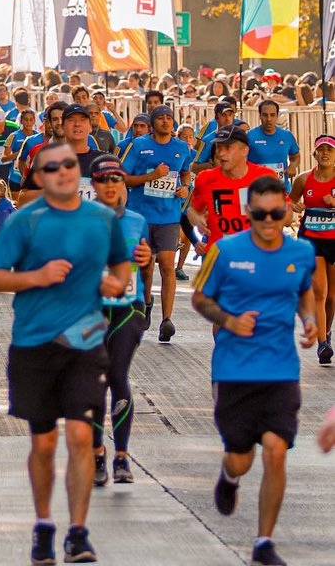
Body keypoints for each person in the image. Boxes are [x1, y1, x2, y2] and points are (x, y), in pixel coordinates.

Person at [0, 141, 131, 566]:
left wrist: (115, 282)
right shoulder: (24, 222)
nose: (63, 172)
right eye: (52, 167)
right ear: (39, 178)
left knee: (82, 435)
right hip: (34, 344)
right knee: (44, 443)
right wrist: (37, 277)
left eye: (68, 165)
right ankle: (45, 525)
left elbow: (121, 265)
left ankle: (78, 533)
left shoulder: (102, 219)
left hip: (85, 343)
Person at [192, 174, 317, 566]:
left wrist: (310, 319)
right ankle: (229, 477)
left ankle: (264, 542)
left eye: (276, 213)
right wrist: (228, 321)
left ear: (287, 212)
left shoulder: (300, 253)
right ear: (249, 212)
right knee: (241, 459)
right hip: (234, 372)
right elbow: (199, 297)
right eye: (260, 213)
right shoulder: (225, 251)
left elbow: (303, 290)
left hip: (281, 370)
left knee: (276, 452)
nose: (268, 220)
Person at [89, 158, 151, 488]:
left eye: (117, 179)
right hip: (92, 311)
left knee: (117, 375)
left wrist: (146, 261)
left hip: (127, 309)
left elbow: (145, 260)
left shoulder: (138, 220)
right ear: (94, 186)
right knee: (97, 380)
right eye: (103, 180)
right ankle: (97, 452)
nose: (111, 185)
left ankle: (122, 456)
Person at [121, 105, 192, 340]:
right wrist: (151, 177)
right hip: (141, 216)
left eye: (169, 118)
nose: (165, 122)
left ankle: (167, 320)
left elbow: (185, 173)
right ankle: (148, 302)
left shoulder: (181, 147)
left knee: (167, 265)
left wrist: (185, 188)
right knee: (146, 268)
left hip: (169, 217)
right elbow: (124, 179)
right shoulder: (139, 145)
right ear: (152, 124)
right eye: (160, 118)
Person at [188, 127, 287, 247]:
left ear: (244, 151)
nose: (221, 153)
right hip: (220, 254)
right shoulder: (205, 178)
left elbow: (287, 215)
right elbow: (192, 210)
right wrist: (198, 220)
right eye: (219, 148)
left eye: (228, 148)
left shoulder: (266, 177)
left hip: (256, 253)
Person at [290, 133, 335, 365]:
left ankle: (326, 332)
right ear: (315, 153)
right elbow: (289, 202)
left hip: (334, 240)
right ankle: (322, 345)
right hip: (311, 240)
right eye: (322, 150)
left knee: (333, 297)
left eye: (330, 150)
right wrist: (294, 205)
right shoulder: (303, 179)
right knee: (320, 293)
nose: (325, 153)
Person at [246, 100, 300, 189]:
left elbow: (296, 156)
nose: (269, 119)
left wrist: (292, 166)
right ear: (260, 116)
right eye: (265, 115)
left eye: (272, 115)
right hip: (257, 190)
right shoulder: (250, 136)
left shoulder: (287, 136)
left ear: (277, 115)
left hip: (281, 189)